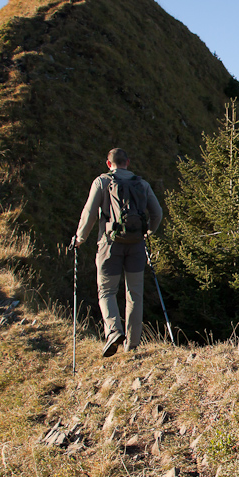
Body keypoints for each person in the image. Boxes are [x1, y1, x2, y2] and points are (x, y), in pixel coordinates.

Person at [72, 148, 163, 356]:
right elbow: (157, 213)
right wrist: (147, 231)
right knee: (134, 294)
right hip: (136, 245)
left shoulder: (102, 182)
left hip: (109, 245)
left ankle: (113, 331)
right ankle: (132, 345)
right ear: (128, 162)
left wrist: (80, 238)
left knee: (107, 291)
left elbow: (89, 212)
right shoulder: (142, 184)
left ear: (108, 163)